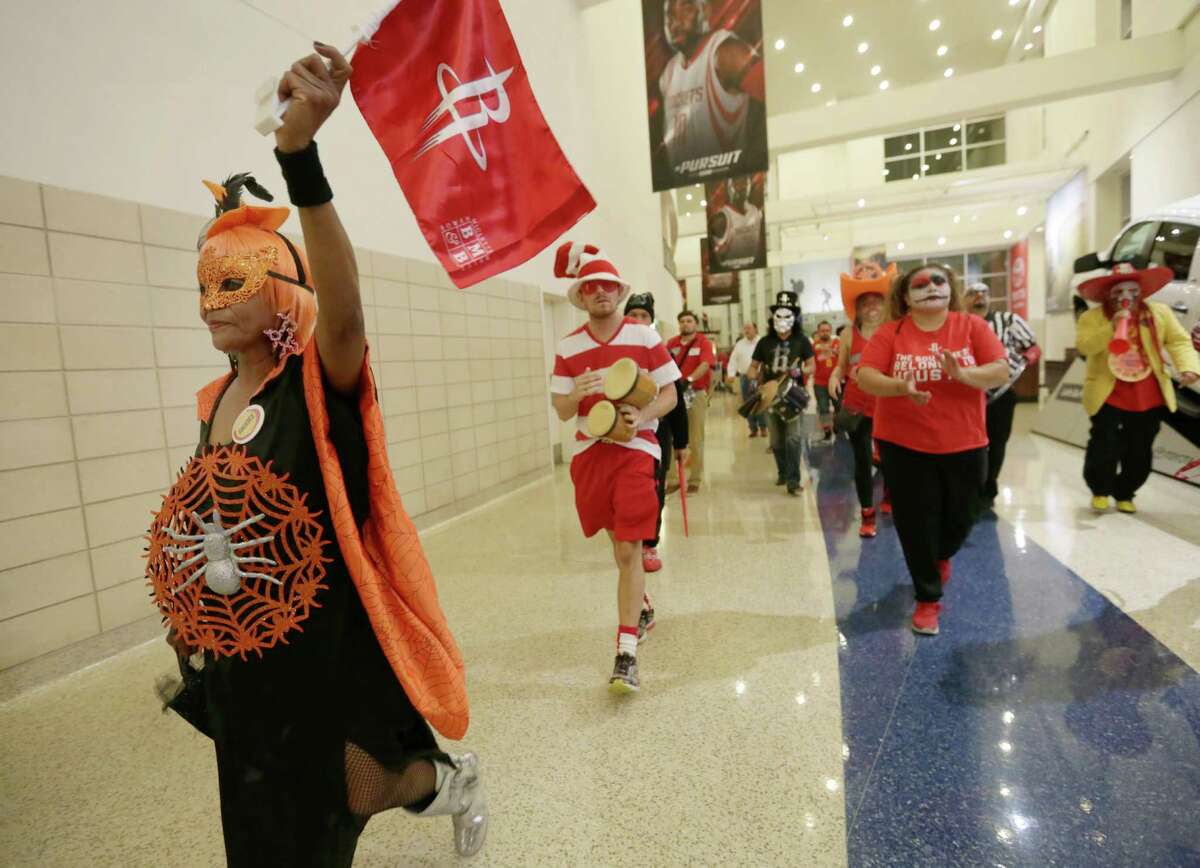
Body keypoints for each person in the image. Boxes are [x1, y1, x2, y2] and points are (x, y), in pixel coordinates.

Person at [143, 44, 486, 866]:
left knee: (361, 787)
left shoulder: (315, 380)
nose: (212, 304)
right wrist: (193, 616)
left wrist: (299, 159)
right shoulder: (215, 402)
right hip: (249, 653)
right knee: (265, 817)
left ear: (280, 291)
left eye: (233, 284)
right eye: (203, 287)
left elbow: (347, 314)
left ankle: (450, 782)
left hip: (330, 642)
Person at [549, 243, 681, 693]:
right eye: (591, 287)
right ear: (581, 296)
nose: (601, 292)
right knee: (619, 546)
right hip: (590, 452)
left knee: (629, 548)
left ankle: (626, 655)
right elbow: (562, 410)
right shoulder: (569, 346)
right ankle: (641, 602)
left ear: (619, 292)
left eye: (608, 285)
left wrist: (642, 417)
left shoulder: (644, 337)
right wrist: (576, 393)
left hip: (637, 449)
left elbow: (670, 394)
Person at [856, 263, 1008, 636]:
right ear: (906, 298)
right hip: (903, 443)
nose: (931, 287)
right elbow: (866, 376)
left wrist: (963, 375)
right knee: (915, 523)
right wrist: (900, 387)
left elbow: (1000, 370)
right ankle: (927, 598)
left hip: (965, 441)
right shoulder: (891, 332)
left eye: (939, 281)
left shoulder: (971, 326)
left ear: (950, 289)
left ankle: (940, 556)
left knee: (962, 516)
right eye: (920, 284)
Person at [1076, 262, 1200, 513]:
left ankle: (1126, 491)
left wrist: (1189, 367)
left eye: (1133, 291)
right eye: (1119, 292)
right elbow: (1085, 347)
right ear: (1108, 294)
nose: (1126, 297)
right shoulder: (1092, 317)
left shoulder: (1159, 313)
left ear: (1141, 291)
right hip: (1108, 392)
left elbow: (1179, 341)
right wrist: (1111, 328)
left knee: (1140, 447)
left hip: (1147, 391)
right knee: (1104, 443)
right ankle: (1100, 489)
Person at [655, 0, 765, 184]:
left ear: (705, 11)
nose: (675, 23)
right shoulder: (668, 73)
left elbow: (774, 101)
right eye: (670, 15)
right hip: (684, 185)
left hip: (724, 178)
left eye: (686, 9)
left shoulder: (727, 52)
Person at [624, 293, 690, 577]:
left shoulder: (661, 351)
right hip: (621, 431)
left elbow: (676, 401)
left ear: (651, 321)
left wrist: (682, 442)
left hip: (657, 431)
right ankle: (628, 540)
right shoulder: (617, 350)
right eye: (633, 315)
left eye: (644, 316)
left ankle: (650, 543)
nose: (638, 320)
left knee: (654, 488)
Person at [828, 266, 892, 538]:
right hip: (858, 405)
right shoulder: (848, 334)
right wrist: (835, 376)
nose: (872, 306)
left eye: (877, 300)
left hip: (889, 405)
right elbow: (841, 366)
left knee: (890, 457)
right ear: (857, 308)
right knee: (863, 460)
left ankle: (888, 493)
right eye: (865, 302)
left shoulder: (894, 331)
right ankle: (867, 513)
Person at [966, 282, 1041, 509]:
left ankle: (989, 489)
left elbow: (1032, 347)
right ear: (964, 298)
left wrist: (1023, 361)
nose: (979, 297)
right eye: (973, 293)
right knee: (968, 445)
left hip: (1000, 393)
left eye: (984, 293)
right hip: (967, 395)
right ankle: (970, 490)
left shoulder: (1008, 321)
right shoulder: (957, 323)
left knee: (997, 443)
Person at [748, 290, 815, 495]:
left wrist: (801, 370)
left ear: (794, 318)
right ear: (773, 317)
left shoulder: (802, 340)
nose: (783, 319)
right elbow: (753, 367)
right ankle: (783, 472)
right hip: (771, 396)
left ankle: (793, 481)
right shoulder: (764, 342)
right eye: (779, 314)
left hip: (794, 394)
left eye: (788, 314)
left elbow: (811, 365)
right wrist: (753, 379)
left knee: (793, 438)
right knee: (776, 440)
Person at [667, 310, 716, 493]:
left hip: (695, 393)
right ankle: (673, 479)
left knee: (696, 438)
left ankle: (695, 478)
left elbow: (705, 364)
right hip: (674, 395)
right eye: (682, 321)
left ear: (696, 324)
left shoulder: (704, 342)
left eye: (689, 321)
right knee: (671, 437)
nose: (685, 324)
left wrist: (689, 380)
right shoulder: (671, 343)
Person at [710, 175, 764, 270]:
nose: (742, 187)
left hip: (753, 268)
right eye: (737, 184)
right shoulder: (721, 218)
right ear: (729, 187)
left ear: (749, 186)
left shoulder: (755, 212)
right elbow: (716, 255)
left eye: (745, 183)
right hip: (732, 271)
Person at [727, 321, 766, 437]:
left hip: (760, 377)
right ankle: (753, 428)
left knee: (762, 402)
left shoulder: (762, 341)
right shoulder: (740, 344)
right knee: (748, 403)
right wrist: (731, 373)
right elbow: (733, 359)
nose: (747, 330)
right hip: (745, 378)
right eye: (745, 328)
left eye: (749, 328)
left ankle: (763, 427)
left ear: (755, 329)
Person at [810, 320, 840, 441]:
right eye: (822, 331)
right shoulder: (814, 346)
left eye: (827, 330)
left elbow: (844, 358)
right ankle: (827, 431)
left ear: (831, 331)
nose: (825, 333)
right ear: (818, 332)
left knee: (839, 407)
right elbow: (810, 363)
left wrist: (834, 352)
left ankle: (837, 427)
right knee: (823, 408)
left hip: (836, 382)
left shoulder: (838, 343)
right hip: (819, 383)